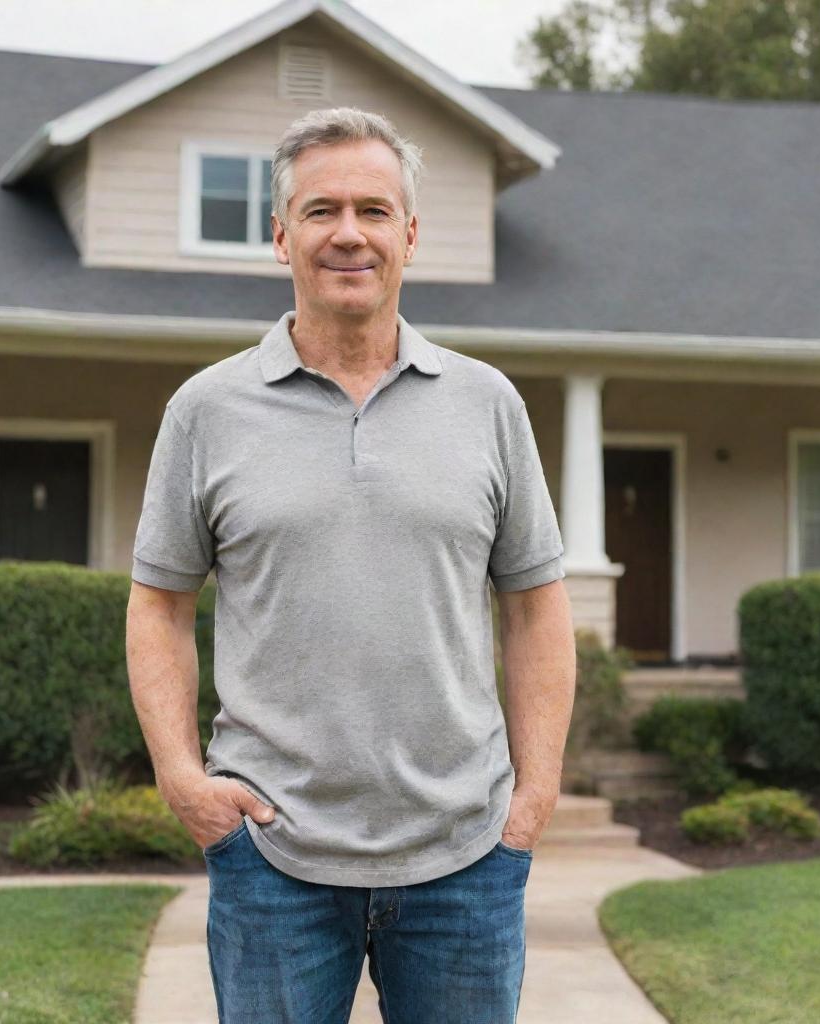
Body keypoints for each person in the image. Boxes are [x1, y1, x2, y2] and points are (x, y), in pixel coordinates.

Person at [126, 106, 576, 1024]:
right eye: (321, 209)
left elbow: (536, 606)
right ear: (279, 233)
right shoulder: (206, 410)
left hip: (466, 855)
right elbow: (158, 604)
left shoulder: (488, 405)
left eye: (374, 210)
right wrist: (182, 780)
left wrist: (531, 800)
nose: (348, 234)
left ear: (409, 235)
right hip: (271, 859)